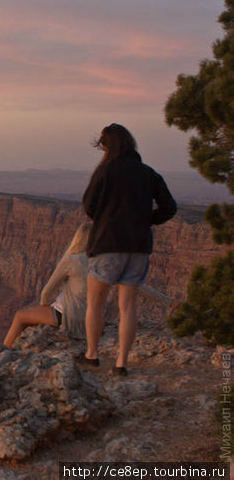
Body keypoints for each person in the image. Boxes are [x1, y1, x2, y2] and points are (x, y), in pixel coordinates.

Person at [76, 123, 176, 376]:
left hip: (108, 245)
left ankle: (92, 355)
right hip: (138, 247)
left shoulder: (106, 171)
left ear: (107, 146)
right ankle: (121, 363)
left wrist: (107, 218)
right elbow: (169, 207)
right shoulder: (148, 173)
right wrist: (146, 220)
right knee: (128, 306)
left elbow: (89, 205)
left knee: (95, 304)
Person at [2, 222, 172, 347]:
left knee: (20, 316)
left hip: (66, 317)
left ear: (78, 239)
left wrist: (45, 309)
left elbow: (46, 293)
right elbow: (137, 286)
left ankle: (3, 352)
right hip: (92, 321)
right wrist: (168, 301)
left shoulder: (71, 260)